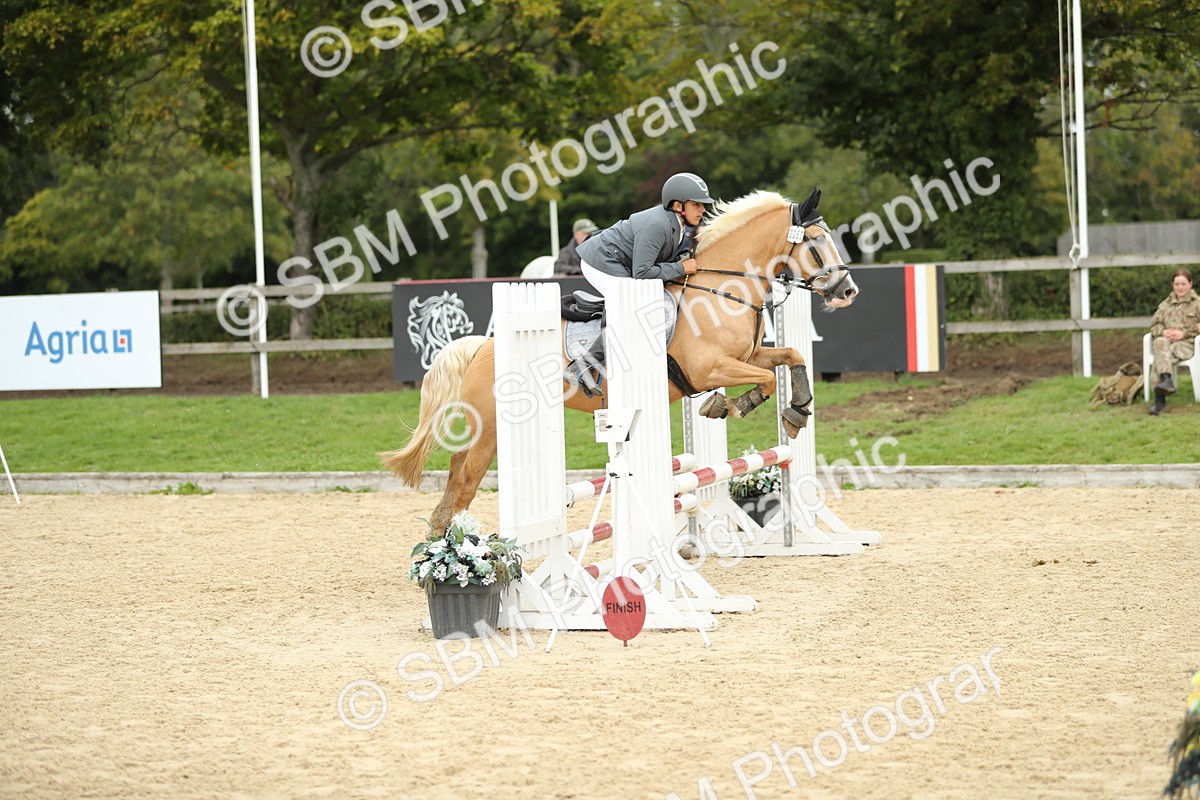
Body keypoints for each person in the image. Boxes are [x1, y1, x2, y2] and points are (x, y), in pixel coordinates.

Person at [564, 172, 714, 394]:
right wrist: (681, 268)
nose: (702, 210)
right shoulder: (658, 224)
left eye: (702, 205)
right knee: (630, 308)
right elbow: (642, 272)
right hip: (600, 260)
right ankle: (580, 367)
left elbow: (663, 260)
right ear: (677, 205)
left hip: (619, 261)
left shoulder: (680, 226)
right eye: (696, 205)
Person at [1147, 268, 1200, 415]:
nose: (1180, 287)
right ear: (1173, 285)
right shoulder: (1165, 305)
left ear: (1190, 284)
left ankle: (1159, 400)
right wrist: (1163, 332)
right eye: (1177, 284)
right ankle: (1166, 380)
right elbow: (1154, 325)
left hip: (1188, 344)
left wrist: (1184, 333)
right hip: (1166, 344)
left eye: (1183, 284)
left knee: (1160, 356)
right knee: (1159, 343)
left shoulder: (1197, 304)